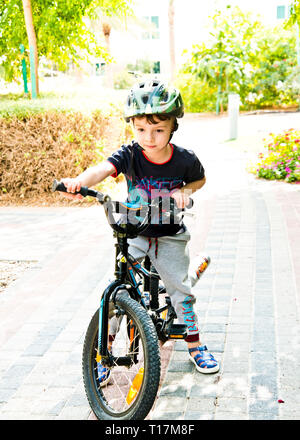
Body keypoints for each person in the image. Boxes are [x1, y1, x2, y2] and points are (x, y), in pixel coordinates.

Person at [61, 79, 220, 384]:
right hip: (136, 233)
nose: (149, 137)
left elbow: (200, 180)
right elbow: (103, 169)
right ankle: (102, 353)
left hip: (171, 234)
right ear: (132, 127)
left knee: (180, 293)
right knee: (116, 292)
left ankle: (195, 346)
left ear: (173, 126)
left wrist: (184, 191)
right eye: (141, 129)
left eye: (158, 129)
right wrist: (80, 182)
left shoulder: (184, 159)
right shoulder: (130, 154)